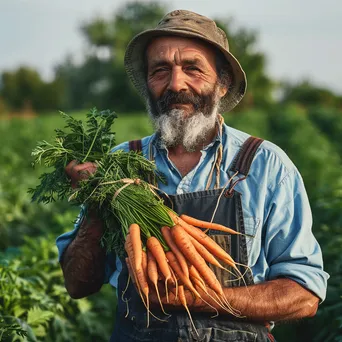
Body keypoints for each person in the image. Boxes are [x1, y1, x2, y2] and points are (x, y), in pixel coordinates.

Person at [56, 9, 329, 342]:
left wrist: (192, 298)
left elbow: (304, 294)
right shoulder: (119, 166)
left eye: (192, 68)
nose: (175, 84)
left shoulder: (266, 166)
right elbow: (76, 284)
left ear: (222, 82)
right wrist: (98, 203)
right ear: (148, 85)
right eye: (160, 71)